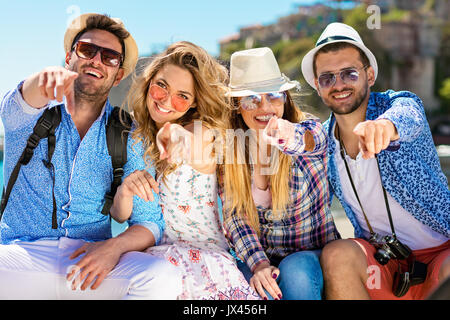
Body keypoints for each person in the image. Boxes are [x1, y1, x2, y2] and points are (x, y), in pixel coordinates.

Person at [0, 13, 181, 299]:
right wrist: (41, 80)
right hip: (21, 256)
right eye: (87, 50)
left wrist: (112, 248)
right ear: (68, 58)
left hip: (93, 260)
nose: (96, 60)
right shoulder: (27, 116)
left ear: (118, 74)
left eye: (109, 57)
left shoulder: (129, 132)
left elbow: (150, 223)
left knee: (162, 278)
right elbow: (22, 99)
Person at [301, 22, 450, 299]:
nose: (339, 84)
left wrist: (384, 128)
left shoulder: (399, 105)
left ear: (369, 75)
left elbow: (409, 115)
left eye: (349, 73)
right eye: (327, 78)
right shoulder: (321, 140)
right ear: (318, 87)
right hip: (385, 265)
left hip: (442, 253)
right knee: (338, 254)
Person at [111, 41, 260, 300]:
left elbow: (196, 143)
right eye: (162, 86)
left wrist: (176, 135)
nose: (167, 100)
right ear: (149, 82)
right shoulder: (136, 139)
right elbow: (120, 216)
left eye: (183, 96)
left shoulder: (202, 132)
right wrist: (124, 192)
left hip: (206, 265)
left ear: (193, 103)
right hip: (157, 261)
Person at [219, 47, 340, 300]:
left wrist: (287, 136)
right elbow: (236, 218)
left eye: (273, 95)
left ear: (285, 98)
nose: (265, 106)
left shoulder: (308, 131)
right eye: (251, 98)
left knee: (294, 271)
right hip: (264, 259)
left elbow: (314, 140)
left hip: (313, 254)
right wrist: (259, 264)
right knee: (228, 277)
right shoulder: (230, 154)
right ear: (237, 106)